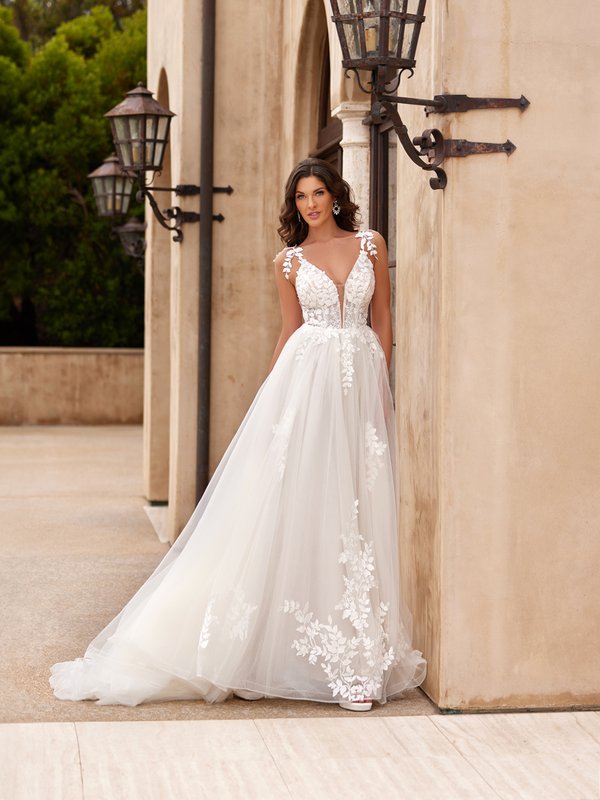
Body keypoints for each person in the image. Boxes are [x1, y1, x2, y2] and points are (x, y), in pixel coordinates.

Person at [50, 158, 426, 711]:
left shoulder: (372, 245)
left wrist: (382, 387)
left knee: (356, 512)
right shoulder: (289, 262)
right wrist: (271, 406)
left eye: (319, 193)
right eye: (301, 197)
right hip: (305, 387)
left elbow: (384, 320)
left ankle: (358, 655)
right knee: (300, 509)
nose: (311, 204)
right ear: (294, 205)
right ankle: (292, 656)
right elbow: (289, 331)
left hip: (359, 389)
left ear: (337, 196)